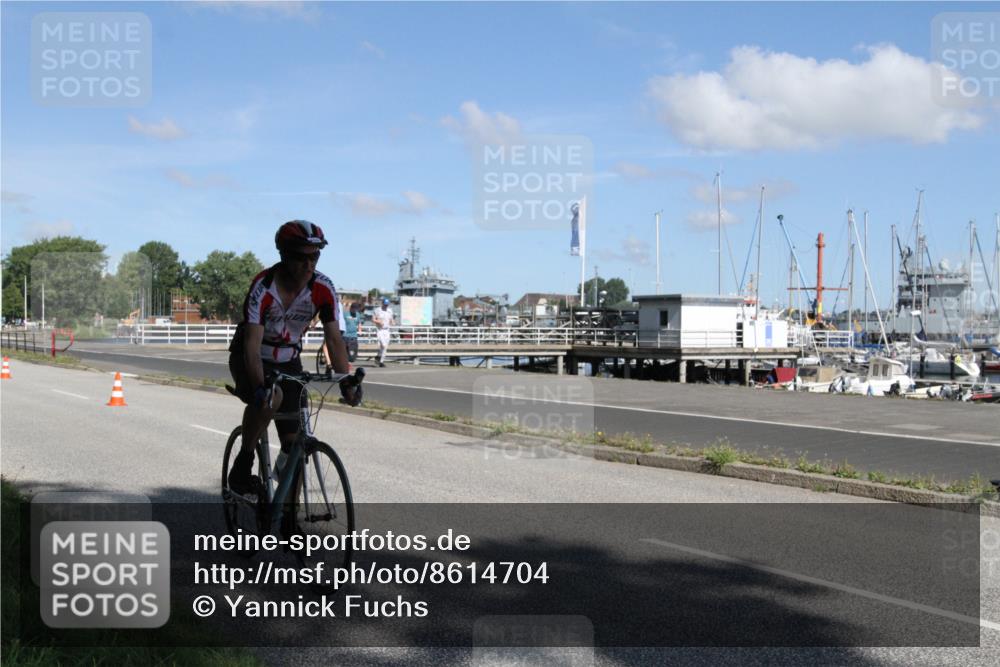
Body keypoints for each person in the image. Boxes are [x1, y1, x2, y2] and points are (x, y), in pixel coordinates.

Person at [227, 220, 358, 494]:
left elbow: (334, 339)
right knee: (270, 397)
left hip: (288, 360)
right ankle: (244, 461)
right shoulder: (263, 287)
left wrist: (345, 379)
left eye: (315, 257)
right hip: (251, 356)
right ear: (284, 255)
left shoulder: (323, 288)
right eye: (301, 258)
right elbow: (251, 346)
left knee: (295, 444)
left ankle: (287, 513)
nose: (309, 265)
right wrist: (260, 388)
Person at [372, 297, 394, 367]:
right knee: (383, 345)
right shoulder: (377, 310)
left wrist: (392, 322)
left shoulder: (390, 311)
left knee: (385, 347)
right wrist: (378, 322)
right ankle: (378, 357)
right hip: (380, 330)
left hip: (387, 330)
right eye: (385, 304)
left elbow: (391, 319)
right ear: (382, 303)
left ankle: (381, 361)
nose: (386, 306)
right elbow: (373, 319)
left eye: (387, 305)